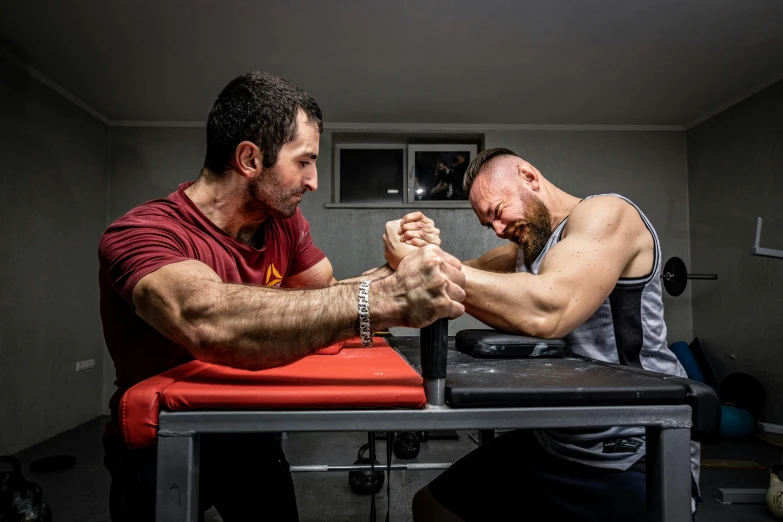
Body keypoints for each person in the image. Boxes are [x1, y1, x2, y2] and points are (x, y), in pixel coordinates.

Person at [97, 71, 466, 522]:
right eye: (304, 161)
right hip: (160, 437)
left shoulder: (281, 223)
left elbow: (328, 296)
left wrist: (401, 266)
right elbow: (206, 319)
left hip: (248, 424)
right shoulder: (145, 232)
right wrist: (388, 296)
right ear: (250, 158)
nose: (313, 181)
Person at [383, 147, 700, 522]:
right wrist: (421, 252)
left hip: (632, 450)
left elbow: (550, 309)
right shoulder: (524, 250)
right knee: (433, 506)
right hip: (554, 441)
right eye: (489, 225)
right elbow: (450, 275)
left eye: (498, 212)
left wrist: (420, 264)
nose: (498, 229)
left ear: (529, 177)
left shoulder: (606, 214)